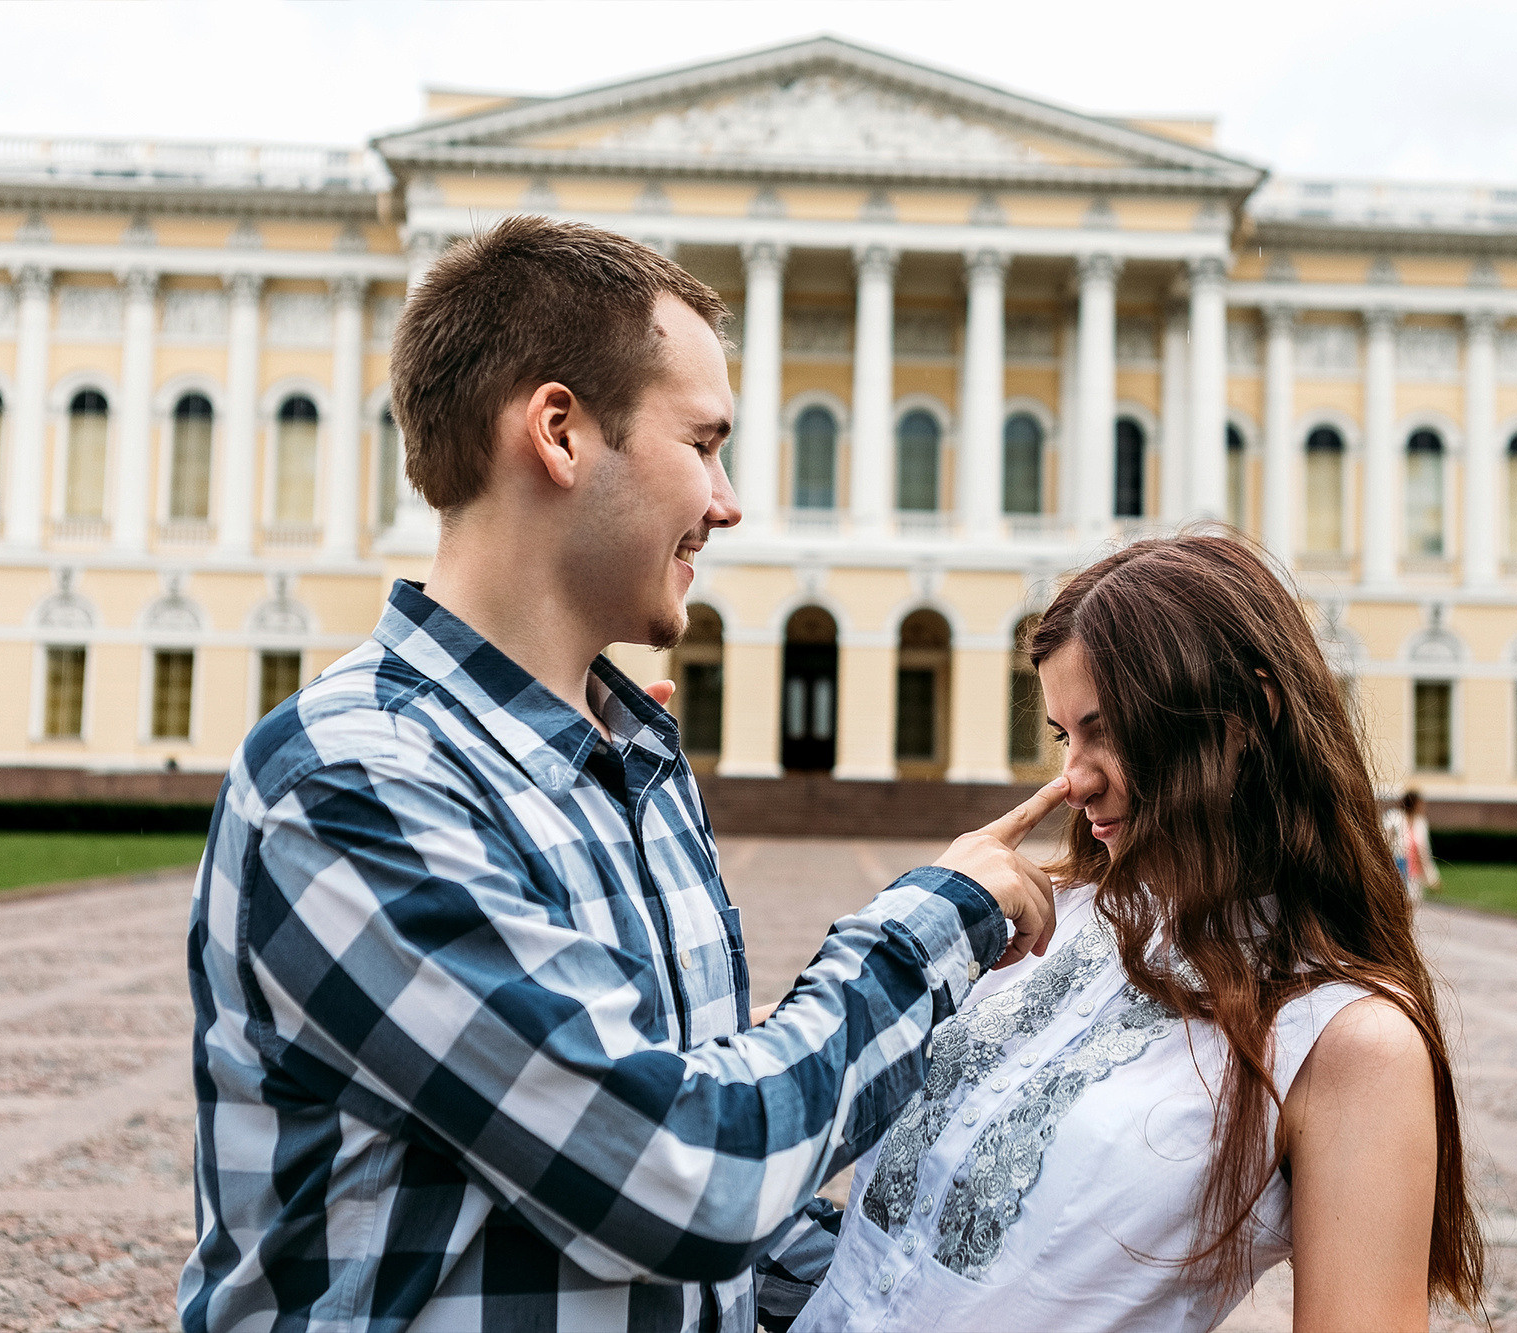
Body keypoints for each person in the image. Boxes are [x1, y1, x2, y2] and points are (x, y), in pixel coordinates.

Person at [178, 216, 1068, 1333]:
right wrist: (937, 925)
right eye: (703, 443)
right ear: (558, 433)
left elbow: (714, 1222)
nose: (729, 500)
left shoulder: (629, 761)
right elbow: (686, 1174)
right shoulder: (353, 780)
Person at [788, 534, 1484, 1333]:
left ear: (1245, 718)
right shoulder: (1040, 916)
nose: (1074, 777)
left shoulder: (1345, 1039)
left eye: (1107, 729)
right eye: (1063, 735)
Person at [1384, 788, 1441, 902]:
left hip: (1415, 872)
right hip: (1398, 866)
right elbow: (1385, 838)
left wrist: (1432, 877)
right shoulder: (1394, 817)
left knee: (1413, 903)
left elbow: (1424, 852)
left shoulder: (1420, 823)